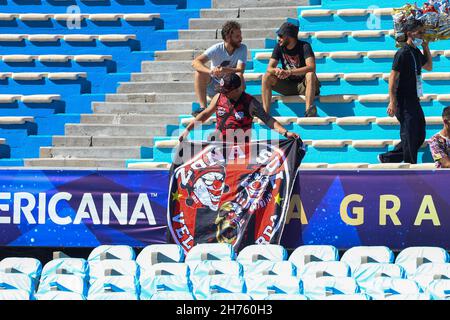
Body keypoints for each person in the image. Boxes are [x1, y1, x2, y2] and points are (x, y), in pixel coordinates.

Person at [179, 73, 299, 143]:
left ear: (237, 89)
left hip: (241, 150)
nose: (223, 93)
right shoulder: (219, 97)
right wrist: (187, 130)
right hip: (219, 146)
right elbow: (205, 115)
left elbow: (268, 120)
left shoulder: (250, 102)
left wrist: (285, 132)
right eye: (222, 90)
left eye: (226, 91)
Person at [378, 19, 432, 164]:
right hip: (403, 100)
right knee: (409, 134)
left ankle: (388, 158)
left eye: (423, 32)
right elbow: (393, 77)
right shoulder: (402, 53)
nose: (422, 35)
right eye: (419, 32)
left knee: (420, 134)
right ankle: (410, 166)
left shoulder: (415, 51)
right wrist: (392, 101)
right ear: (409, 33)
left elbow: (428, 66)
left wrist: (426, 48)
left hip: (414, 99)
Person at [261, 22, 321, 117]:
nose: (278, 38)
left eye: (280, 36)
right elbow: (269, 68)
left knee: (310, 74)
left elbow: (312, 67)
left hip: (304, 85)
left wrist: (290, 72)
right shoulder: (279, 47)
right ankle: (265, 114)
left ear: (289, 36)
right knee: (266, 77)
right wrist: (277, 71)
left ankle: (309, 111)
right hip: (289, 85)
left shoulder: (305, 46)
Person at [191, 20, 247, 117]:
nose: (241, 39)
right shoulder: (216, 48)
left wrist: (225, 70)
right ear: (228, 38)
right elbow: (195, 62)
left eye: (240, 35)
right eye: (237, 36)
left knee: (239, 75)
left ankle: (239, 104)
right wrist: (211, 71)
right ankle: (203, 108)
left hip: (231, 86)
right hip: (216, 85)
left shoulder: (242, 48)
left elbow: (240, 70)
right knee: (198, 73)